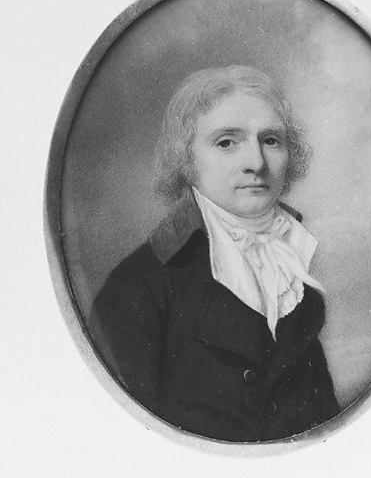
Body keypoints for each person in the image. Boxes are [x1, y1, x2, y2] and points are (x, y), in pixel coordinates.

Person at [89, 65, 339, 442]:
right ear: (187, 159)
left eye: (271, 140)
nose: (256, 163)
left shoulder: (290, 266)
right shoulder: (137, 288)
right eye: (226, 143)